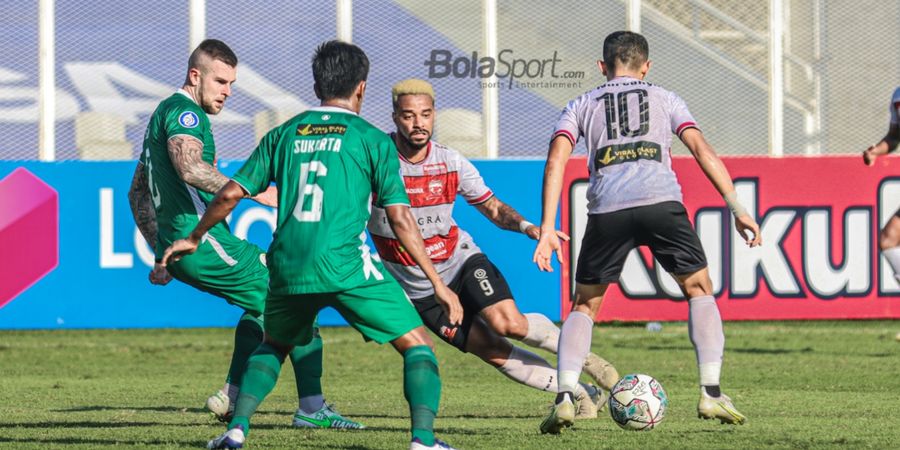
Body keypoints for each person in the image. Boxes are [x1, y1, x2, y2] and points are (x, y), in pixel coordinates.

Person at [163, 40, 463, 450]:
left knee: (274, 344)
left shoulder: (284, 133)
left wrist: (195, 236)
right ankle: (423, 441)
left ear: (317, 83)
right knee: (417, 346)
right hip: (345, 265)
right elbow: (400, 217)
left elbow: (230, 193)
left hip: (287, 265)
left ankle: (236, 430)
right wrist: (439, 285)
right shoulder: (372, 139)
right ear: (361, 88)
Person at [532, 31, 762, 434]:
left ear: (602, 67)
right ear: (646, 66)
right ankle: (711, 392)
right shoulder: (666, 98)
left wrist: (548, 228)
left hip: (607, 210)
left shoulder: (581, 104)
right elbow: (701, 149)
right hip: (661, 204)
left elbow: (555, 162)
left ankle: (566, 395)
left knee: (584, 306)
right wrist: (737, 207)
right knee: (699, 288)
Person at [126, 39, 362, 430]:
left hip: (189, 246)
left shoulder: (161, 114)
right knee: (294, 297)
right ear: (195, 75)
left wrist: (159, 252)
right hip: (204, 243)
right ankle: (311, 407)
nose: (227, 92)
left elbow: (137, 192)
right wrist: (251, 190)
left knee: (263, 307)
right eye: (220, 81)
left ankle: (231, 396)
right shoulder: (185, 114)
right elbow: (189, 167)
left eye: (232, 83)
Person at [367, 79, 620, 420]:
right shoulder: (373, 164)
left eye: (425, 115)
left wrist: (527, 226)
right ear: (395, 117)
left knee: (508, 323)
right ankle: (581, 392)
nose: (418, 124)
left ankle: (579, 356)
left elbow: (492, 207)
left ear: (434, 115)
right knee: (492, 350)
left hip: (460, 263)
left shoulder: (449, 161)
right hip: (420, 290)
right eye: (409, 116)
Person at [862, 87, 900, 334]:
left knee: (889, 238)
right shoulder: (897, 95)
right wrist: (876, 150)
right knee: (888, 240)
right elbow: (895, 136)